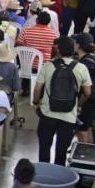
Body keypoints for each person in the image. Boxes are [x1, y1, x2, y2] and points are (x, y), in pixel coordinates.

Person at [33, 35, 91, 165]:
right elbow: (88, 93)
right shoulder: (81, 68)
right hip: (69, 116)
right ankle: (58, 181)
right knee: (61, 151)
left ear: (58, 50)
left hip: (48, 113)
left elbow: (37, 89)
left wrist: (36, 103)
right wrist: (78, 104)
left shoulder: (48, 66)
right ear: (73, 50)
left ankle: (44, 174)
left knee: (44, 147)